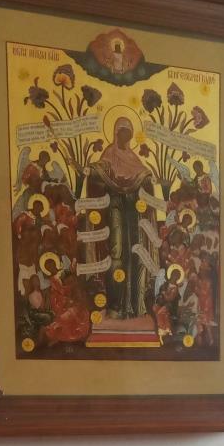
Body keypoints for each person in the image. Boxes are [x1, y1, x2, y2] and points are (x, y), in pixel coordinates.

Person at [85, 118, 157, 319]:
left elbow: (142, 175)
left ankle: (134, 305)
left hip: (132, 208)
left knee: (136, 251)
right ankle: (115, 305)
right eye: (122, 132)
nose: (125, 136)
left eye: (128, 133)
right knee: (116, 251)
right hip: (115, 205)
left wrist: (148, 178)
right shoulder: (109, 154)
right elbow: (100, 170)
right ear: (116, 133)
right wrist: (90, 170)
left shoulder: (133, 158)